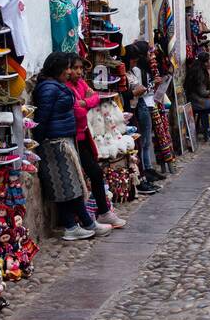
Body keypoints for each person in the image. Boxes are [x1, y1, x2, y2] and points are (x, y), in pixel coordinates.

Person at [33, 53, 105, 242]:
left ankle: (86, 223)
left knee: (71, 185)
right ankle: (73, 226)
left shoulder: (54, 86)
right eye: (67, 67)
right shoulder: (49, 88)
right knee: (64, 186)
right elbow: (43, 117)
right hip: (54, 143)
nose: (70, 71)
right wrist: (38, 142)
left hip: (63, 141)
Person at [69, 57, 126, 228]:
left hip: (84, 136)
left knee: (95, 172)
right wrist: (86, 103)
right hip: (75, 137)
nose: (79, 72)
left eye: (81, 68)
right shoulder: (67, 87)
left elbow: (95, 97)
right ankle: (97, 214)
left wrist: (85, 102)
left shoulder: (80, 84)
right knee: (92, 172)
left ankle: (101, 212)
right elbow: (78, 112)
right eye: (75, 68)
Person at [125, 44, 160, 195]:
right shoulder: (131, 71)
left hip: (139, 106)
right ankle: (141, 177)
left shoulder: (132, 71)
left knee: (142, 142)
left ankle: (144, 175)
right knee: (140, 142)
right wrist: (136, 91)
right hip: (134, 108)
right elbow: (127, 92)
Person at [183, 49, 210, 142]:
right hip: (197, 101)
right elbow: (203, 92)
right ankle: (208, 131)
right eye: (209, 60)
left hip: (194, 99)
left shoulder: (196, 69)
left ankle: (206, 130)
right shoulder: (199, 73)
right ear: (205, 63)